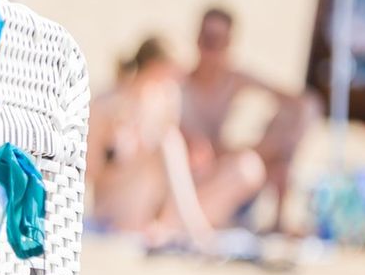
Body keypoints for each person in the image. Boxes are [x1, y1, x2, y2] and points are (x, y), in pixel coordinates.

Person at [88, 37, 264, 250]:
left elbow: (173, 167)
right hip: (116, 206)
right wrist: (123, 151)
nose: (179, 79)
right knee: (167, 142)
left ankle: (180, 228)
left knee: (244, 168)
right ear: (155, 66)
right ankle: (197, 232)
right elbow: (90, 172)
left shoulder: (165, 98)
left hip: (155, 206)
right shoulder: (108, 103)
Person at [182, 6, 321, 233]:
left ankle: (276, 217)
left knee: (260, 160)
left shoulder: (234, 80)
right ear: (197, 39)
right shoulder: (180, 86)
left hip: (223, 169)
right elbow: (196, 150)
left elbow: (302, 103)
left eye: (218, 41)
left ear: (228, 44)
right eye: (207, 39)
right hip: (192, 176)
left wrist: (276, 146)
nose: (211, 48)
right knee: (245, 166)